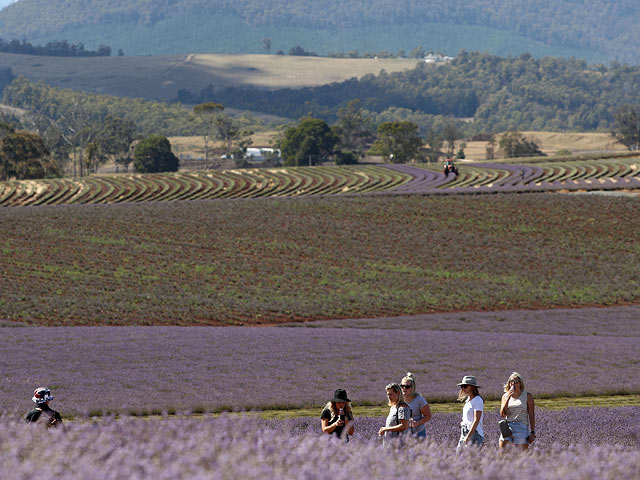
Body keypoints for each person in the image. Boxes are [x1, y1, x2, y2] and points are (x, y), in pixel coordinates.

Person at [499, 372, 536, 450]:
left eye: (516, 382)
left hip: (521, 427)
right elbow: (502, 414)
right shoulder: (505, 396)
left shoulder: (527, 396)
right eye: (511, 381)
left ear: (520, 384)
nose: (513, 384)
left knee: (522, 457)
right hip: (508, 427)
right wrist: (508, 398)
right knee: (503, 454)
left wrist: (532, 432)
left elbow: (531, 415)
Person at [400, 372, 432, 439]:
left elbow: (428, 416)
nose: (404, 388)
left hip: (418, 433)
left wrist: (417, 423)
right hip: (403, 433)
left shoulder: (419, 400)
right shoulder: (399, 399)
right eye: (402, 386)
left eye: (407, 387)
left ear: (412, 388)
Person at [456, 375, 484, 450]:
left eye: (465, 386)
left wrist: (468, 437)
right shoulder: (468, 400)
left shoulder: (478, 400)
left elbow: (476, 420)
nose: (463, 388)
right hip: (465, 431)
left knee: (471, 460)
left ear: (472, 387)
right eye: (462, 386)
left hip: (474, 433)